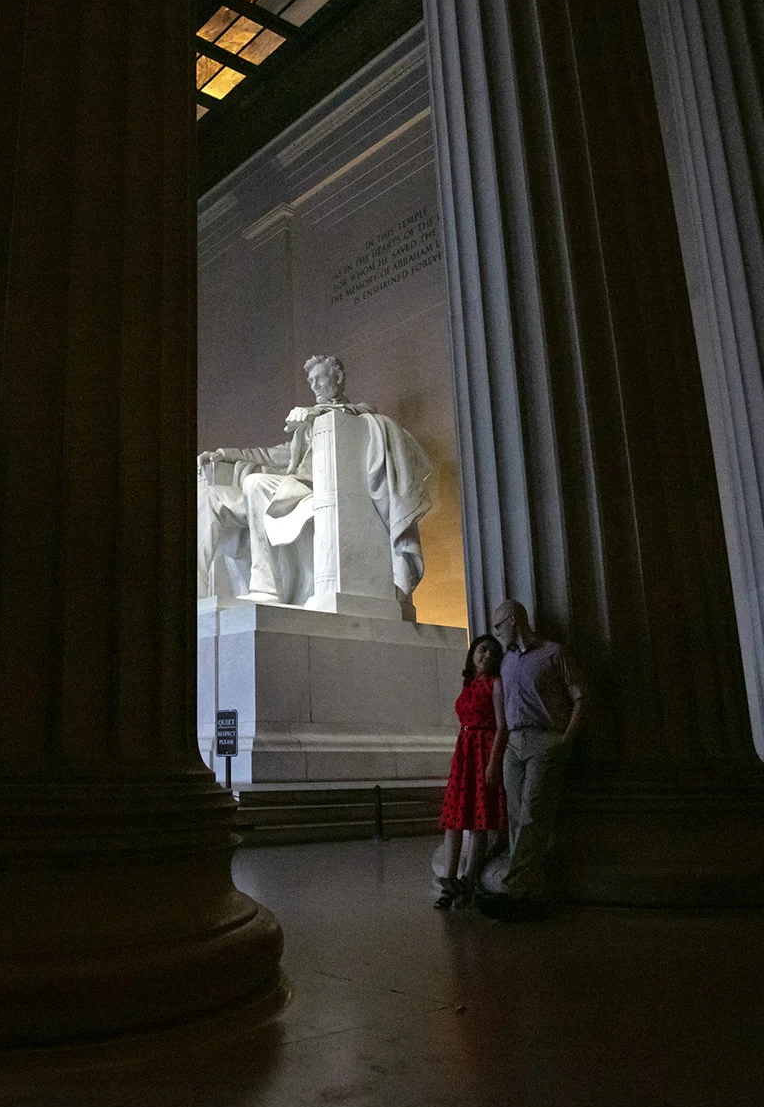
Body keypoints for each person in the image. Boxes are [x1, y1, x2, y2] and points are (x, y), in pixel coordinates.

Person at [196, 354, 432, 608]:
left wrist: (316, 413)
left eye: (319, 379)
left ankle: (266, 588)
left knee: (255, 483)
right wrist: (223, 454)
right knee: (209, 496)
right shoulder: (309, 422)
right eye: (310, 381)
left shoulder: (356, 416)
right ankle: (196, 590)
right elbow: (270, 454)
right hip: (286, 490)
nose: (314, 387)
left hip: (312, 490)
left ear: (337, 378)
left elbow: (360, 412)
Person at [480, 600, 586, 918]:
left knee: (533, 814)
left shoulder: (554, 653)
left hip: (545, 739)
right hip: (515, 742)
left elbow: (580, 696)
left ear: (513, 621)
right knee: (516, 817)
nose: (497, 634)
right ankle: (530, 891)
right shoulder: (507, 662)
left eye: (499, 626)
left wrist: (565, 740)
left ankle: (514, 891)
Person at [434, 634, 506, 909]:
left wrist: (493, 762)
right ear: (473, 654)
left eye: (491, 653)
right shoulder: (468, 684)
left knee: (479, 821)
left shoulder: (495, 684)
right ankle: (449, 881)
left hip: (483, 750)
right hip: (465, 751)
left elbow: (502, 726)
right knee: (454, 819)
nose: (486, 656)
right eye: (482, 650)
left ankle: (468, 880)